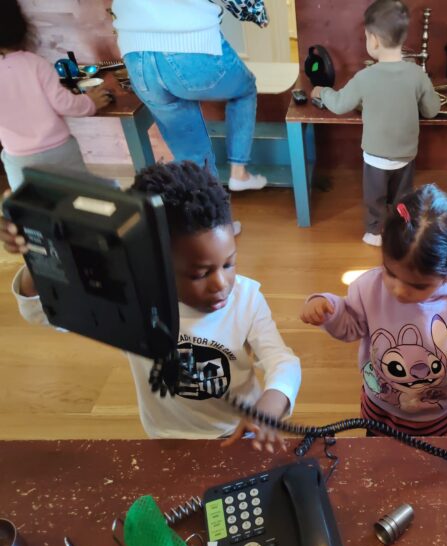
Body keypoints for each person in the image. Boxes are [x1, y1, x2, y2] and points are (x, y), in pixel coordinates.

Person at [1, 161, 301, 448]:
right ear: (152, 265)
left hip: (239, 432)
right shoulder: (134, 301)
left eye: (229, 263)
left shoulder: (247, 299)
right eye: (200, 274)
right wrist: (35, 256)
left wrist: (269, 408)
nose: (221, 284)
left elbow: (282, 361)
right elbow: (44, 312)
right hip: (167, 436)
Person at [300, 184, 447, 474]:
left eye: (417, 285)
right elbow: (351, 327)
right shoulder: (368, 287)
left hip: (430, 418)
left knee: (419, 470)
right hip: (376, 404)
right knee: (376, 463)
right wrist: (331, 310)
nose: (398, 290)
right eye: (390, 272)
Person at [311, 0, 441, 247]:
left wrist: (322, 91)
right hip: (405, 155)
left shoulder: (365, 77)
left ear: (374, 40)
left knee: (375, 196)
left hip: (376, 157)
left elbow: (339, 104)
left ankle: (374, 232)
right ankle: (401, 228)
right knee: (403, 195)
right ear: (403, 37)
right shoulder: (417, 74)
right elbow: (432, 110)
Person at [111, 0, 269, 191]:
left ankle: (213, 209)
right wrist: (257, 14)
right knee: (245, 89)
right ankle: (239, 173)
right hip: (190, 42)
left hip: (135, 54)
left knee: (192, 160)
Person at [0, 0, 111, 191]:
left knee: (30, 204)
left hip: (18, 157)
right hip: (58, 150)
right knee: (78, 196)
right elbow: (63, 103)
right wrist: (90, 102)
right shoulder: (35, 64)